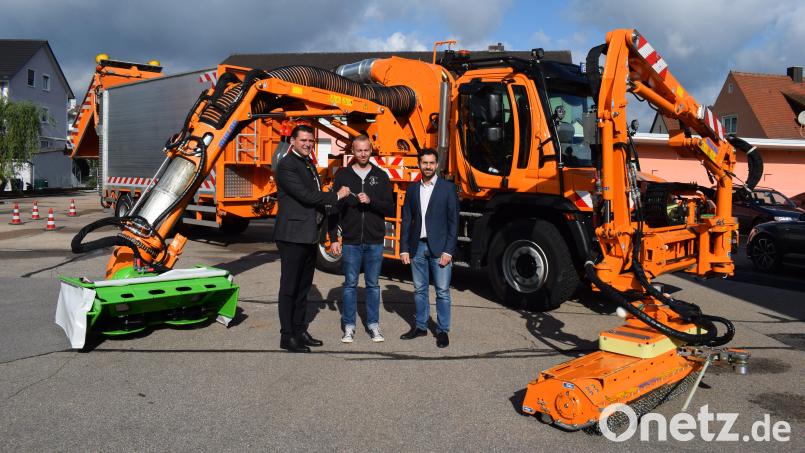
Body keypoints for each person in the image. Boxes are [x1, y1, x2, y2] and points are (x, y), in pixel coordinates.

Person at [274, 124, 350, 353]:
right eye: (303, 140)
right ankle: (287, 336)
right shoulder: (287, 165)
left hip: (307, 235)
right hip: (292, 236)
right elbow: (307, 196)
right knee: (290, 287)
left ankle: (299, 329)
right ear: (293, 142)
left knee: (303, 287)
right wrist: (336, 195)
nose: (307, 144)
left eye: (310, 141)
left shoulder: (307, 164)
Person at [328, 135, 395, 343]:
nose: (363, 154)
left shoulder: (381, 176)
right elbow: (333, 209)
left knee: (373, 285)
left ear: (371, 150)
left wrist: (371, 201)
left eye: (366, 150)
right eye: (359, 150)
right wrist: (333, 238)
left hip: (374, 241)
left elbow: (389, 207)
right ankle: (349, 326)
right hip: (351, 241)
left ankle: (373, 325)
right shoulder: (343, 176)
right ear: (353, 151)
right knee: (350, 284)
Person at [399, 148, 459, 348]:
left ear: (437, 165)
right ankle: (421, 326)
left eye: (431, 163)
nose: (428, 166)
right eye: (424, 163)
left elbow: (453, 222)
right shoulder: (413, 189)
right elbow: (407, 219)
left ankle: (442, 331)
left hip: (440, 249)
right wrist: (404, 248)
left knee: (442, 291)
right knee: (419, 290)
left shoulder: (448, 189)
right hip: (417, 247)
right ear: (419, 164)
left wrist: (448, 250)